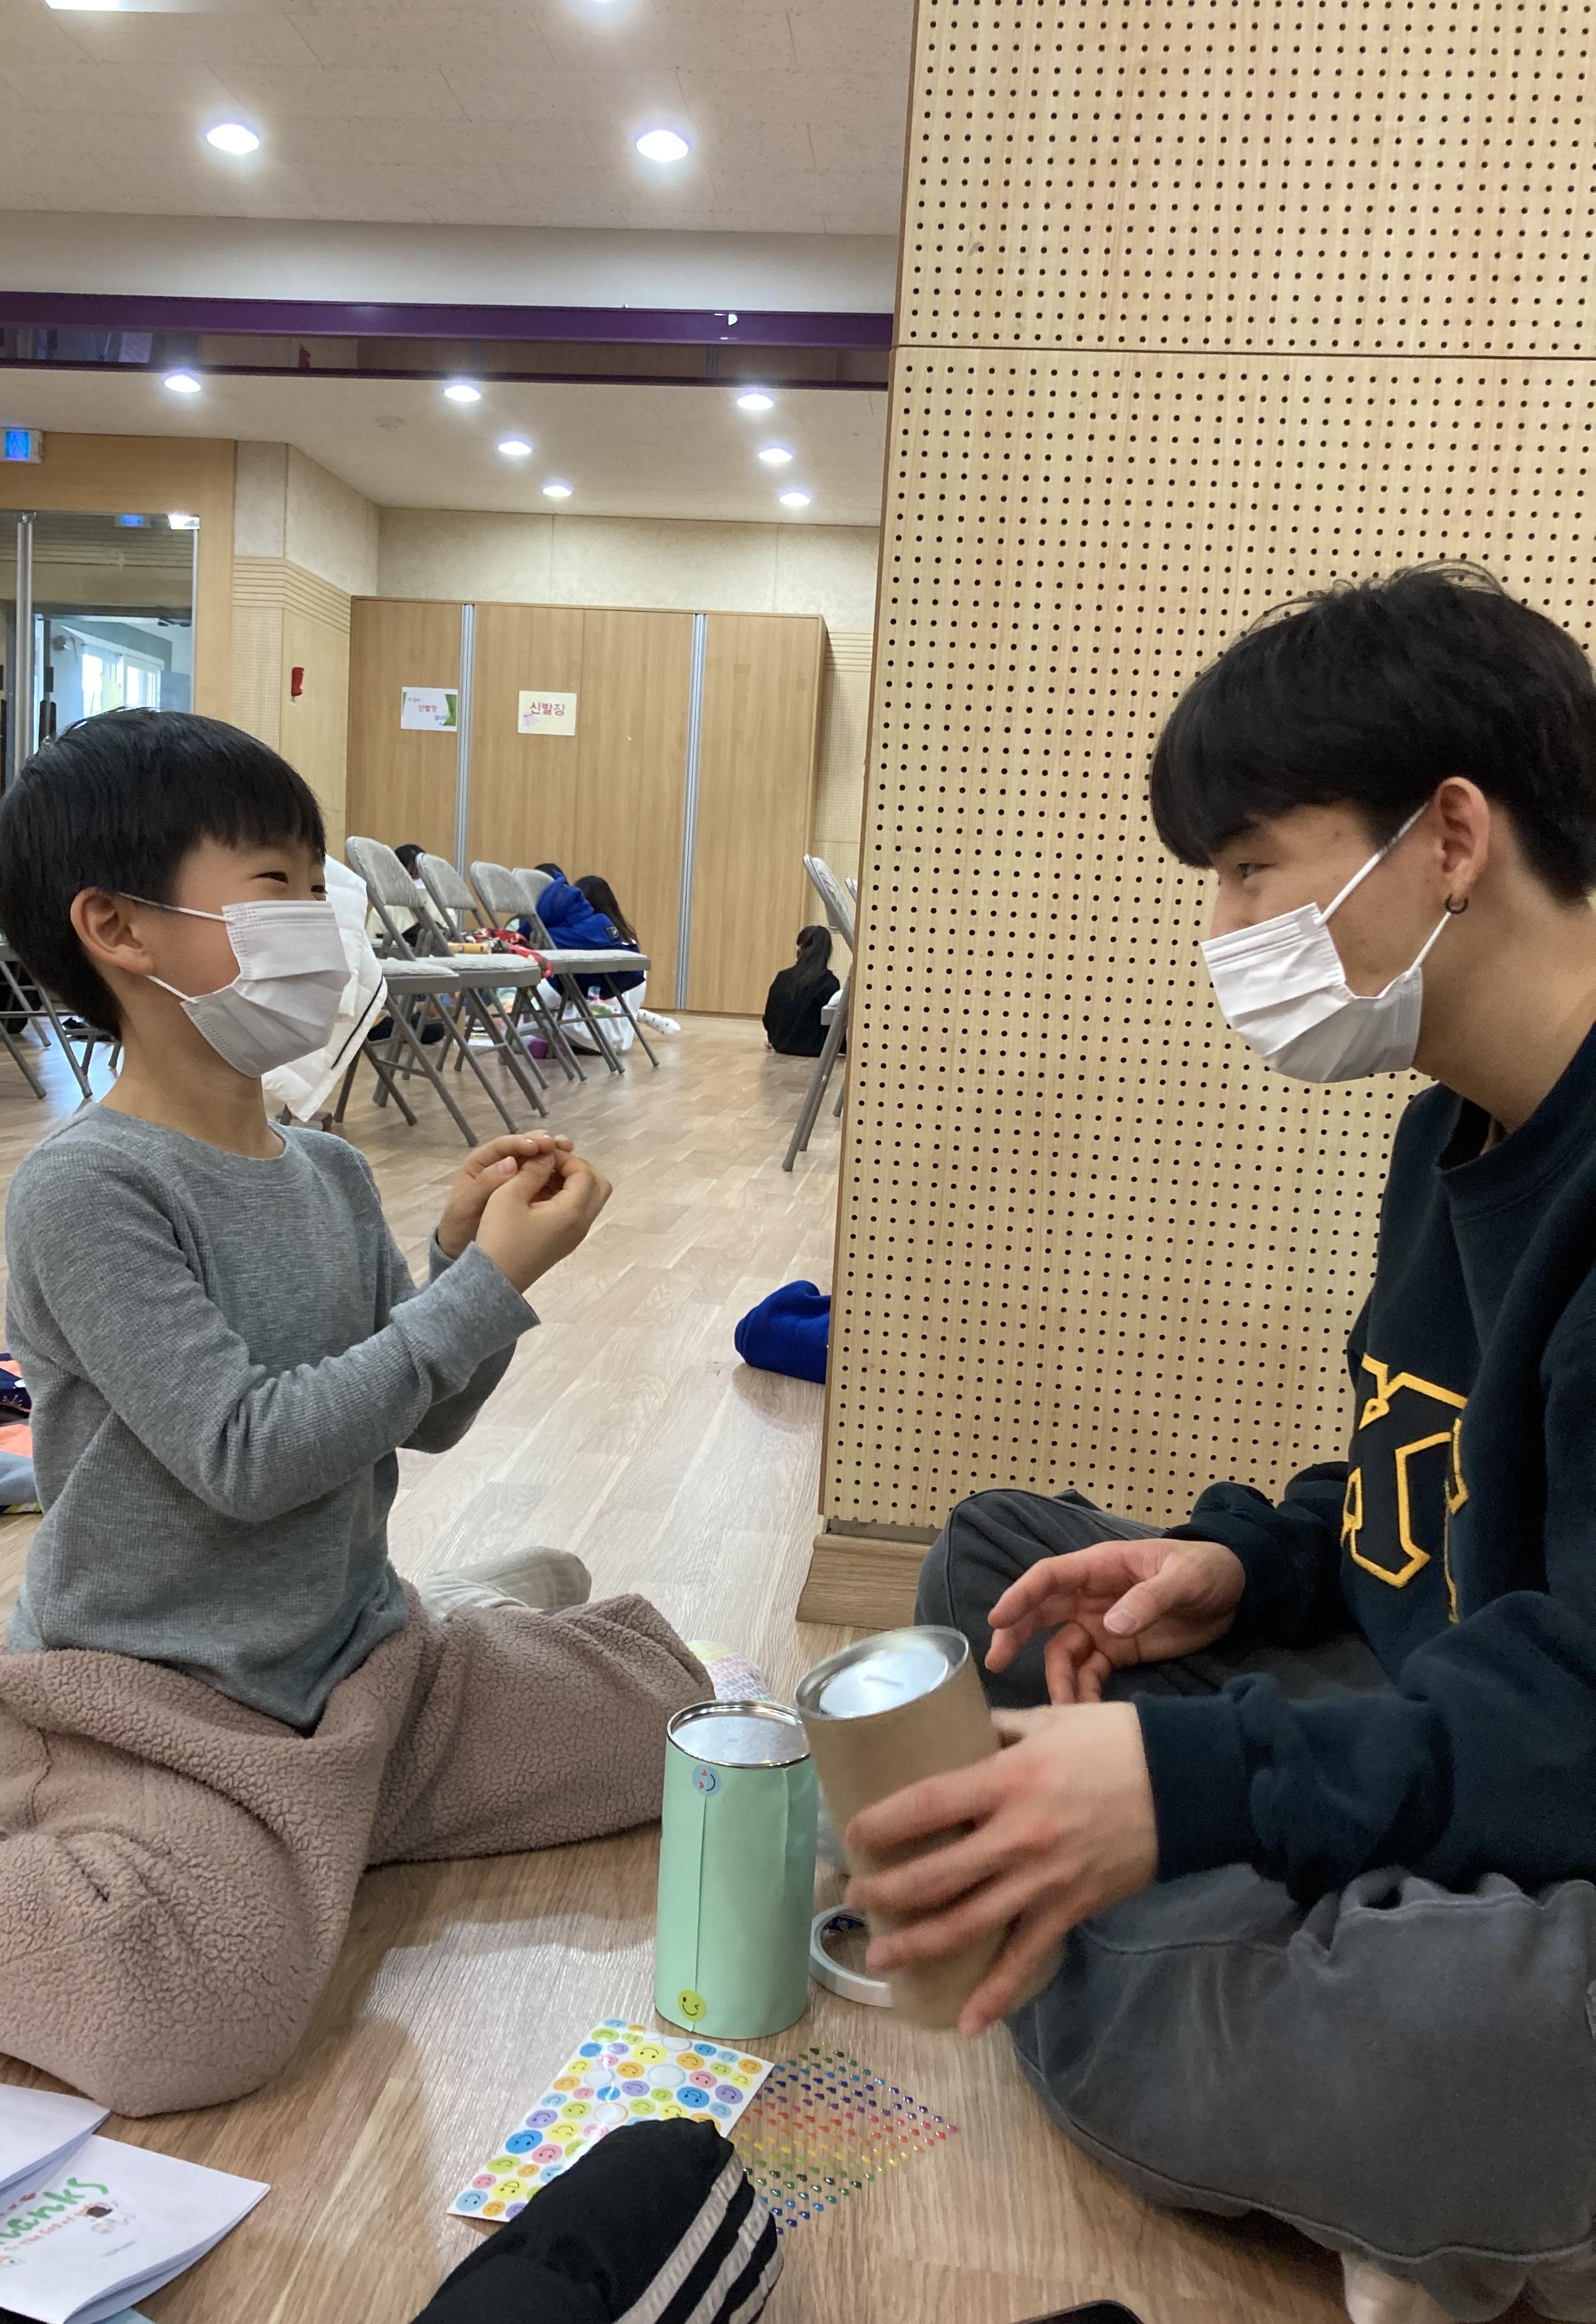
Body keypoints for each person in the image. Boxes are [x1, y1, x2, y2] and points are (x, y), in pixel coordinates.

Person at [850, 568, 1596, 2324]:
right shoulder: (1457, 1129)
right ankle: (1109, 1914)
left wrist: (1200, 1787)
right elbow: (1427, 1475)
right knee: (1002, 1562)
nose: (1225, 929)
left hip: (1554, 1778)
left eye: (1254, 866)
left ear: (1452, 837)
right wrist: (1241, 1563)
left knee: (1446, 2033)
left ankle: (1051, 1912)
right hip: (1441, 1709)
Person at [0, 710, 707, 2117]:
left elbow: (421, 1421)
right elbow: (247, 1457)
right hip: (161, 1702)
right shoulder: (89, 1187)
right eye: (278, 888)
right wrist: (485, 1287)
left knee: (676, 1723)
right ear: (118, 928)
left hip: (360, 1665)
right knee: (198, 2010)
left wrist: (459, 1264)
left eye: (321, 886)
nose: (324, 923)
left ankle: (348, 1774)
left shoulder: (323, 1171)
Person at [763, 925, 839, 1057]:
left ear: (798, 948)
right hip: (815, 1048)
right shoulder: (830, 982)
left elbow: (769, 1015)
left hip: (780, 1043)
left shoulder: (782, 977)